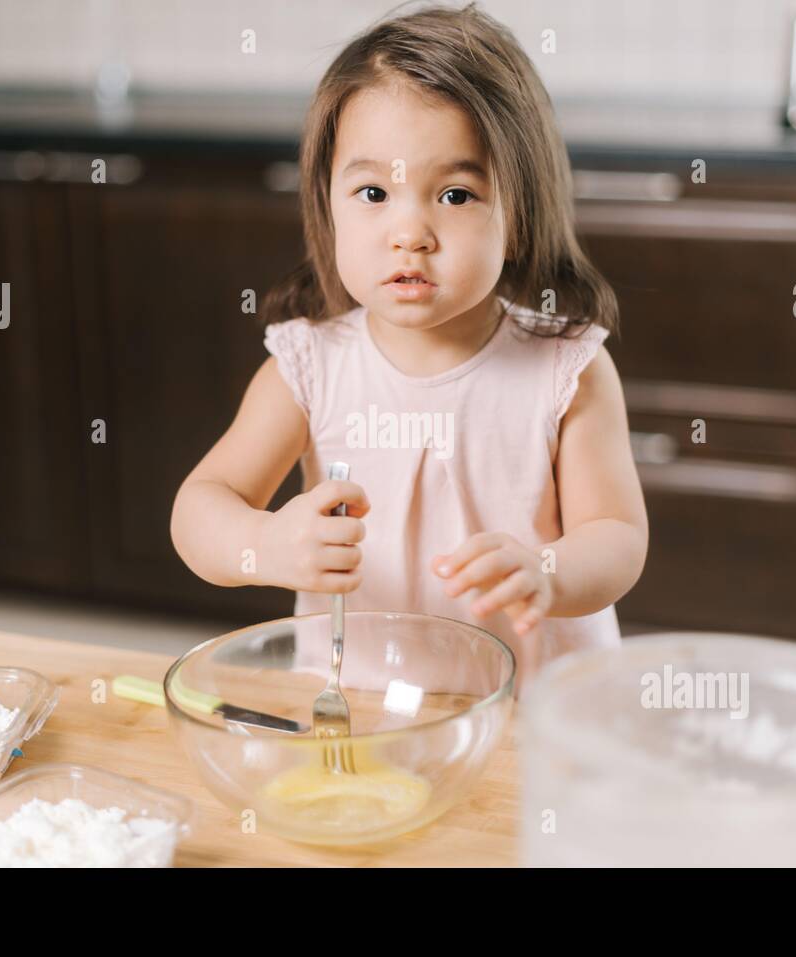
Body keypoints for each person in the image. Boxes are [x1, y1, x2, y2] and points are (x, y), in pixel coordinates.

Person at [171, 3, 647, 695]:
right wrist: (265, 545)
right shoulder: (309, 368)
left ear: (520, 212)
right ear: (326, 202)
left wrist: (548, 568)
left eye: (455, 194)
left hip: (533, 711)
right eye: (373, 192)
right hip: (360, 702)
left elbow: (618, 537)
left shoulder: (567, 370)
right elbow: (199, 508)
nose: (410, 232)